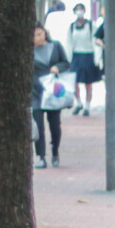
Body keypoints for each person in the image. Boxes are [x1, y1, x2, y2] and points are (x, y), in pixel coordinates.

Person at [32, 24, 72, 168]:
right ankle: (41, 157)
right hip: (36, 91)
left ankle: (55, 150)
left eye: (39, 34)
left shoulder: (55, 46)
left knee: (55, 125)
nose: (37, 38)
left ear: (45, 33)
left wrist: (57, 68)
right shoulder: (28, 52)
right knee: (38, 125)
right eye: (34, 35)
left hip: (53, 91)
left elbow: (66, 63)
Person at [67, 4, 100, 115]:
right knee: (75, 82)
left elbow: (95, 40)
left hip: (88, 55)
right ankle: (79, 103)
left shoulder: (90, 25)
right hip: (76, 56)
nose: (79, 12)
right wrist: (69, 58)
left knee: (88, 83)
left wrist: (97, 57)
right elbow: (69, 42)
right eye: (77, 10)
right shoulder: (72, 26)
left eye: (81, 9)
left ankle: (87, 106)